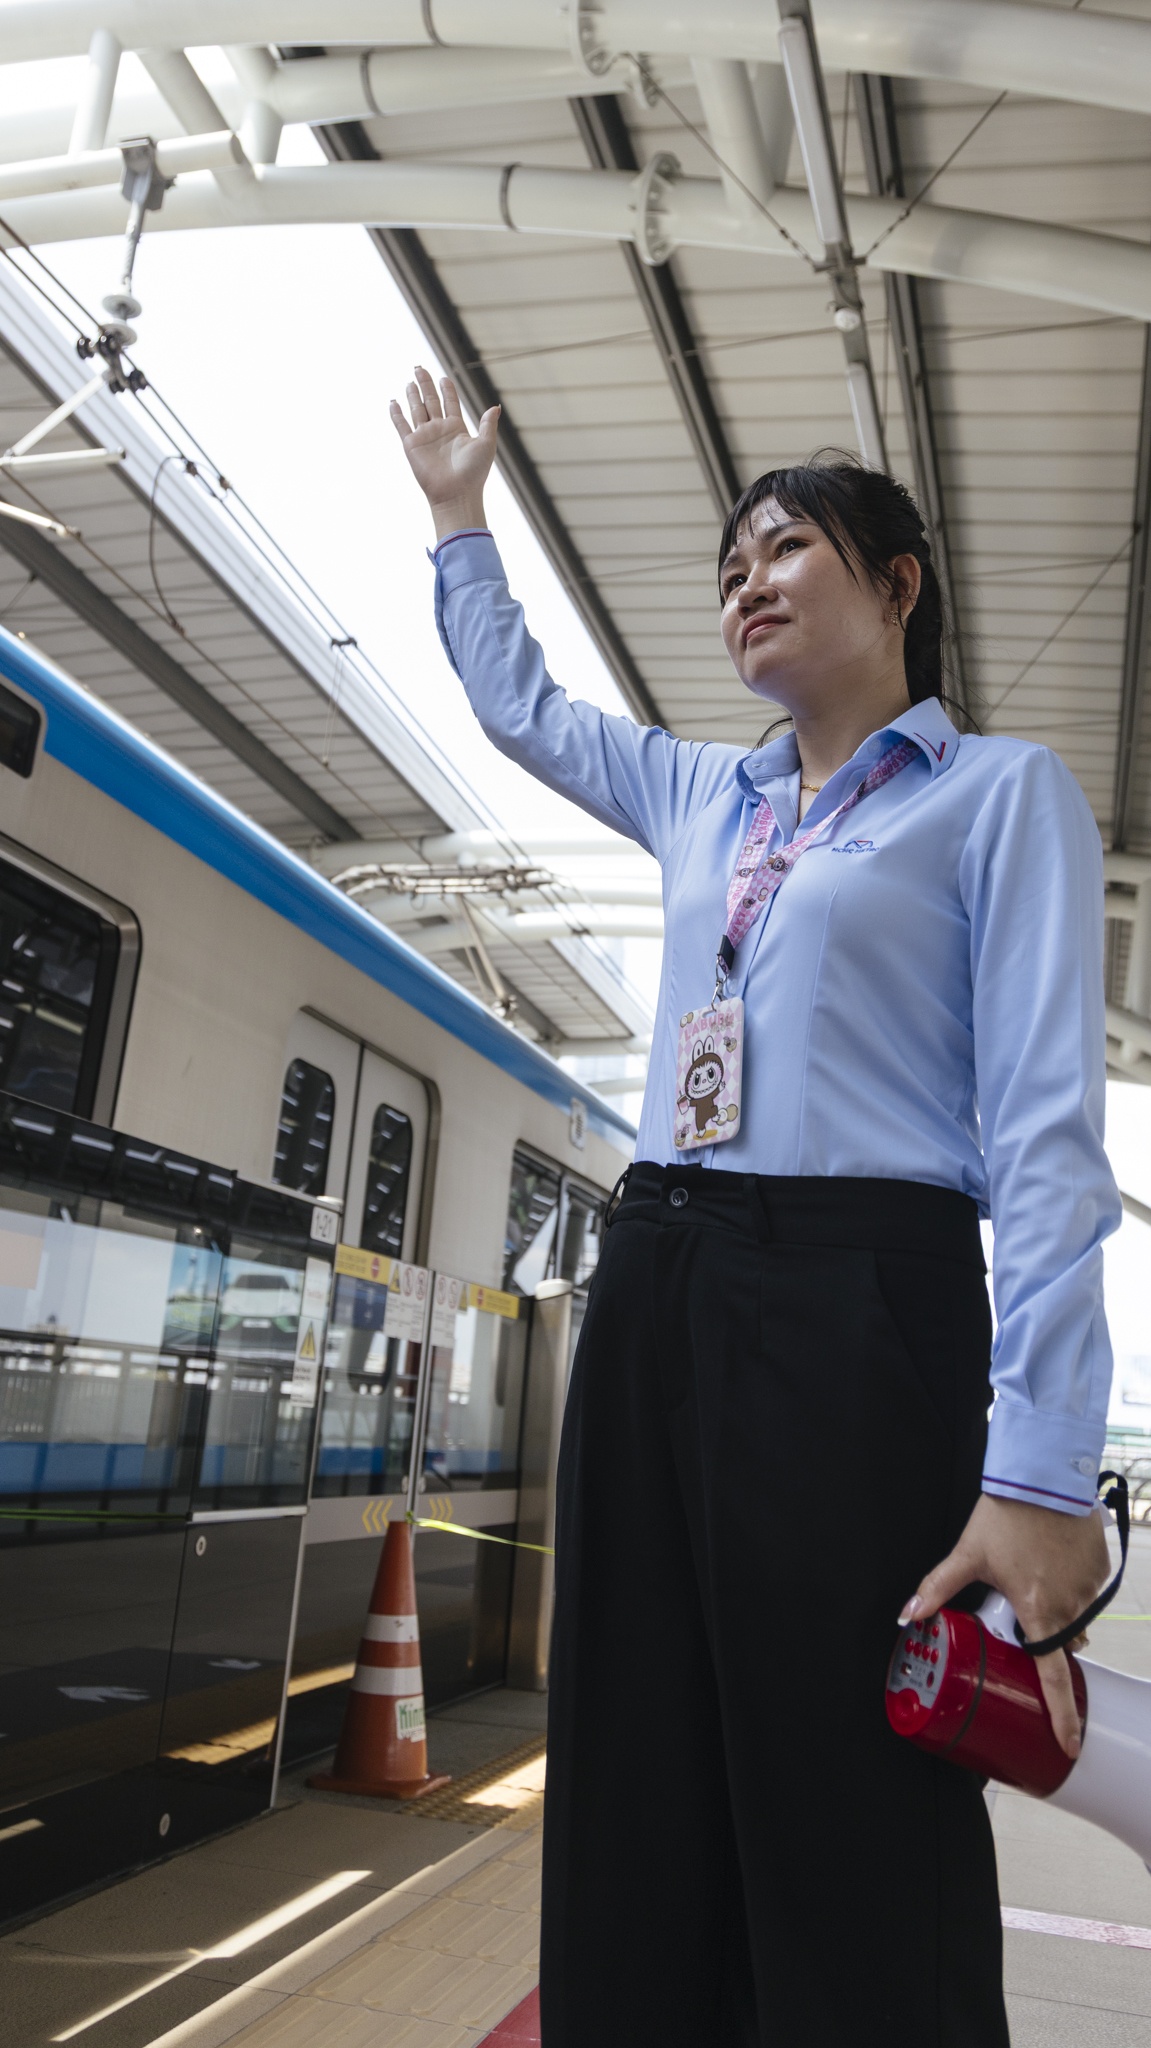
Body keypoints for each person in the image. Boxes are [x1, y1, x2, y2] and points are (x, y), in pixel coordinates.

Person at [391, 367, 1120, 2047]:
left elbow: (1043, 1136)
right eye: (728, 566)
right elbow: (522, 708)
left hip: (863, 1295)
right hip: (659, 1271)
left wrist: (1037, 1463)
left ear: (898, 585)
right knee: (636, 1745)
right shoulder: (703, 797)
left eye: (787, 546)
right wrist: (455, 522)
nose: (745, 581)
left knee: (842, 1774)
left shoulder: (997, 797)